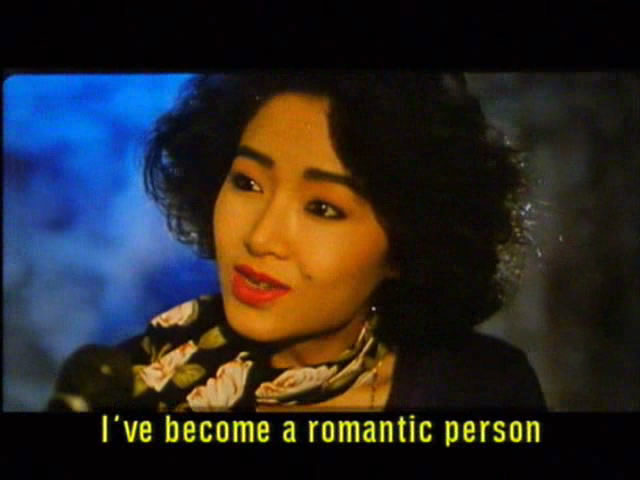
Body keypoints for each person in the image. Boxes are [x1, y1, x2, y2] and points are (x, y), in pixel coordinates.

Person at [47, 72, 546, 412]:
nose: (261, 237)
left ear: (406, 244)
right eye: (247, 183)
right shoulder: (125, 386)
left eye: (323, 208)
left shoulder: (478, 389)